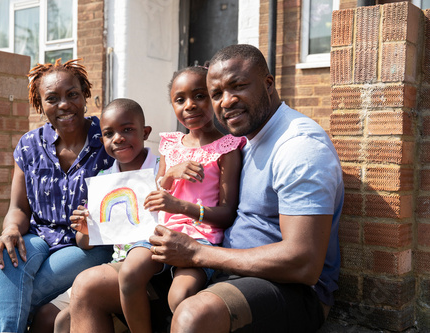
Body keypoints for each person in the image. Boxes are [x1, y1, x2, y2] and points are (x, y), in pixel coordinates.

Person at [71, 44, 344, 332]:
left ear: (268, 84)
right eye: (216, 94)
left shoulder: (298, 146)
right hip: (218, 264)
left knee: (192, 316)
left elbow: (304, 263)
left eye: (238, 86)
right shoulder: (246, 140)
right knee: (88, 287)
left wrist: (197, 254)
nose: (226, 101)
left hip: (285, 287)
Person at [69, 65, 244, 333]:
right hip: (159, 232)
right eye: (180, 99)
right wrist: (171, 175)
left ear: (214, 96)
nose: (190, 106)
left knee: (179, 298)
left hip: (198, 238)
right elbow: (154, 194)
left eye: (200, 96)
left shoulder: (227, 148)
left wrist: (181, 206)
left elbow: (226, 212)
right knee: (129, 273)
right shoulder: (170, 146)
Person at [0, 59, 114, 333]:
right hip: (39, 237)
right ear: (40, 105)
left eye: (72, 94)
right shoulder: (29, 145)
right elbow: (18, 207)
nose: (64, 105)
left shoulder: (107, 138)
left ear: (85, 95)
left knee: (18, 294)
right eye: (52, 98)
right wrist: (10, 230)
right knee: (3, 256)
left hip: (87, 243)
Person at [30, 97, 158, 333]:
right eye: (109, 134)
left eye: (127, 130)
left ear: (145, 132)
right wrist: (85, 229)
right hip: (115, 263)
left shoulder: (161, 168)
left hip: (153, 268)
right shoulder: (103, 179)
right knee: (52, 317)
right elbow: (86, 243)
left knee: (75, 305)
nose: (118, 138)